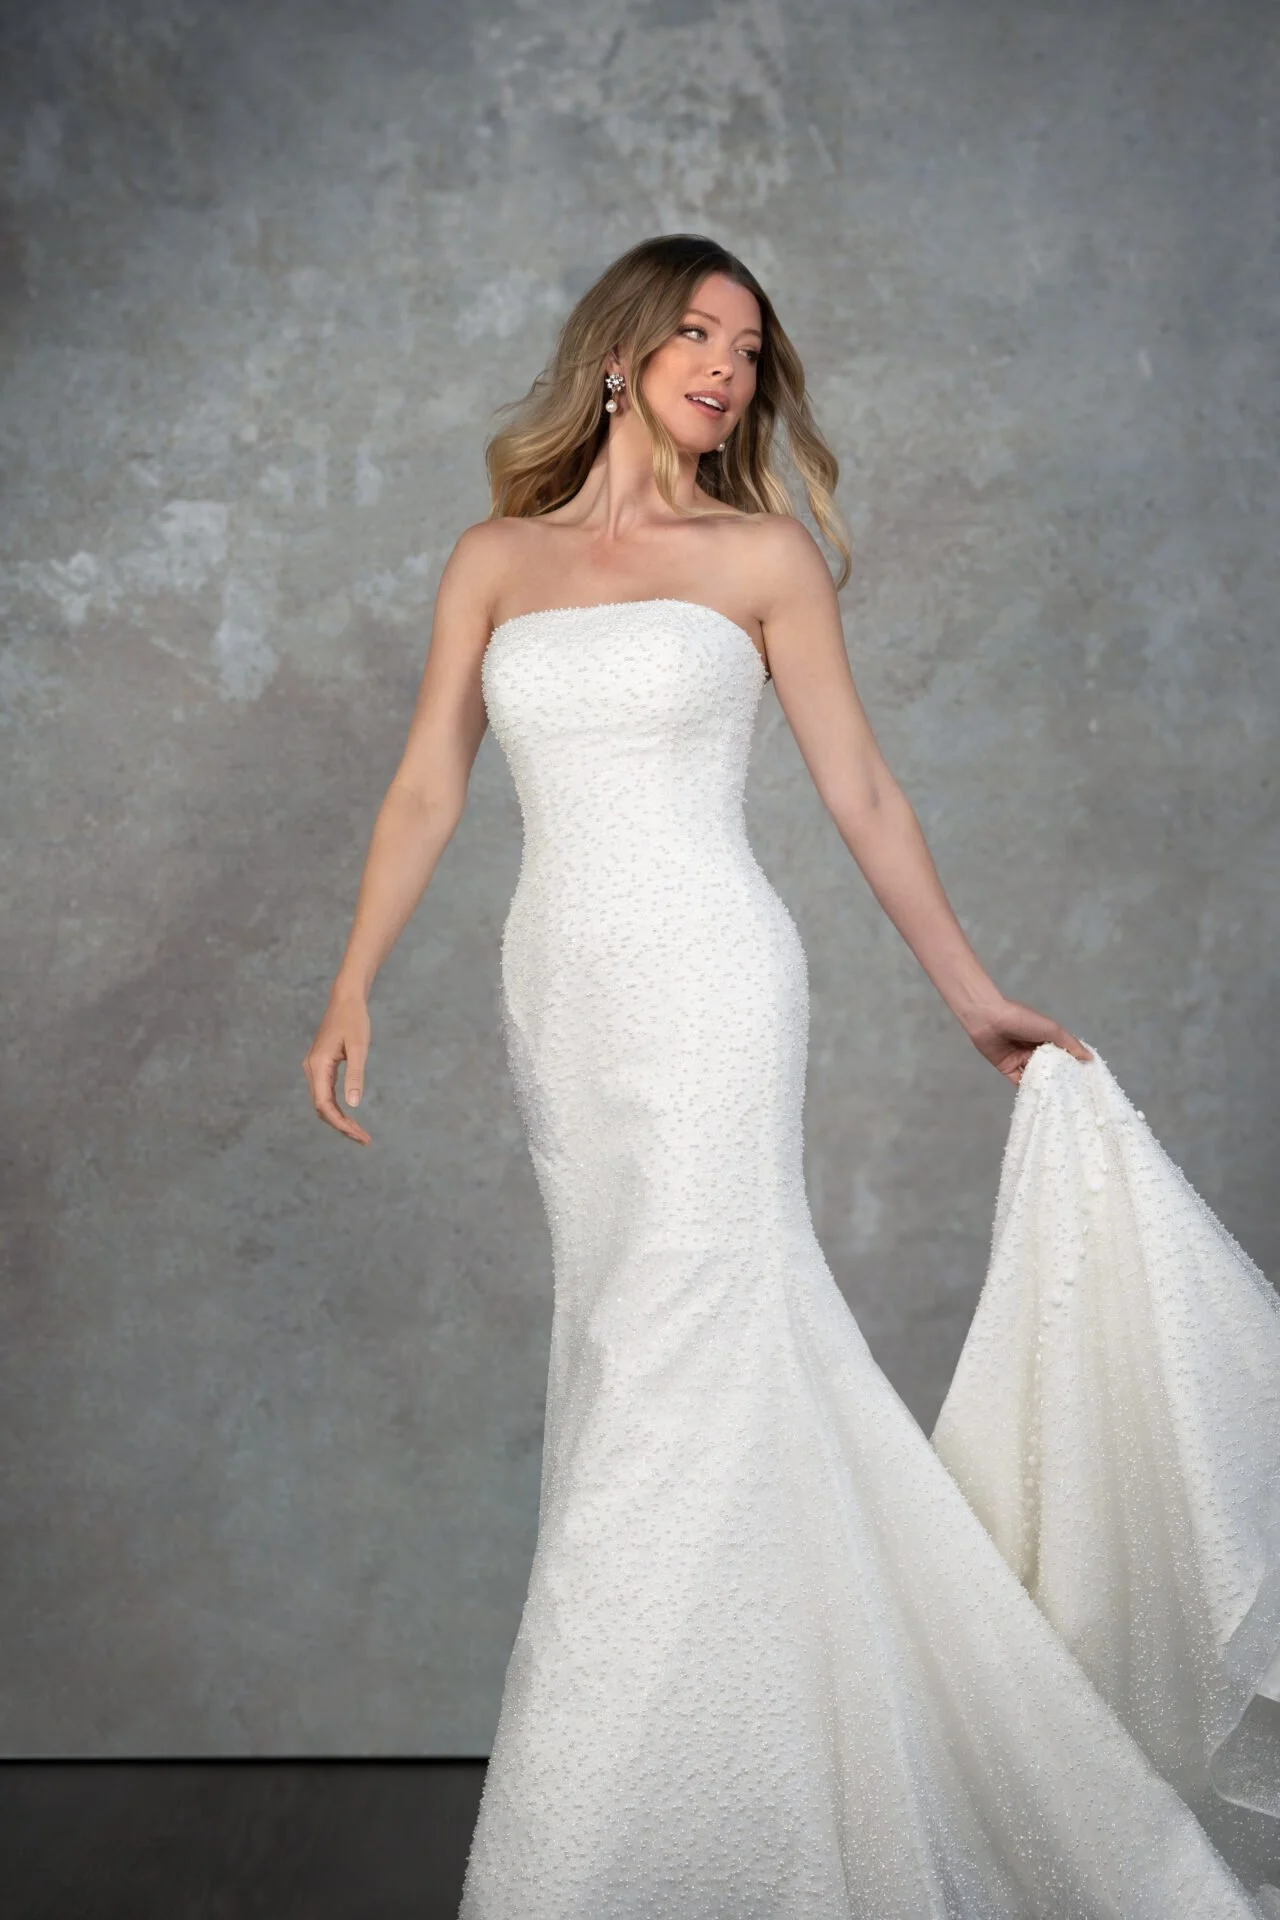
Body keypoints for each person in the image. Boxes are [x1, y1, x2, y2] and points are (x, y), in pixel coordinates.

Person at [303, 235, 1268, 1917]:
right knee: (629, 1349)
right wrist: (351, 978)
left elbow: (862, 791)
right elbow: (425, 789)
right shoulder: (494, 559)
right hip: (563, 997)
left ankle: (589, 1848)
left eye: (749, 348)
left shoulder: (763, 556)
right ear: (619, 354)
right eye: (696, 333)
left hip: (713, 985)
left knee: (677, 1346)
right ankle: (745, 1790)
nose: (726, 368)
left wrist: (972, 997)